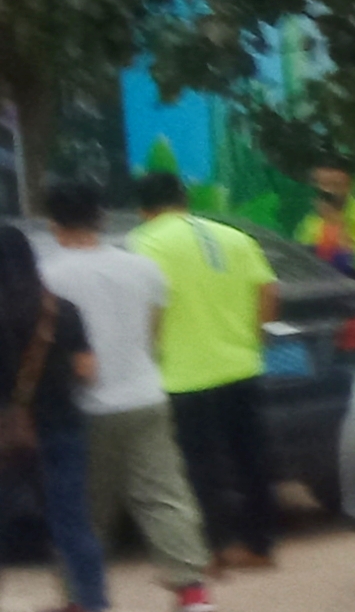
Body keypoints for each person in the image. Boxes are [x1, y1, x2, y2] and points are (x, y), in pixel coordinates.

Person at [43, 181, 214, 612]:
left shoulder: (48, 276)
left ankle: (81, 597)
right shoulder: (143, 268)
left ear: (52, 224)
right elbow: (153, 334)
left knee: (83, 508)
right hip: (145, 396)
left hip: (83, 407)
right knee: (163, 496)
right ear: (101, 218)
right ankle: (192, 591)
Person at [128, 171, 281, 572]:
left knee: (199, 467)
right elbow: (268, 289)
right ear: (184, 199)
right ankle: (259, 546)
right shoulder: (233, 236)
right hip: (242, 366)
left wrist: (148, 349)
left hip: (183, 375)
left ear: (143, 209)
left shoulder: (143, 243)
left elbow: (148, 306)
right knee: (251, 459)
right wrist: (254, 336)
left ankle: (211, 550)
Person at [0, 225, 108, 612]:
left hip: (5, 437)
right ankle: (90, 602)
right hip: (62, 425)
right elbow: (86, 370)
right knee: (72, 521)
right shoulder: (60, 309)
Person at [295, 160, 355, 284]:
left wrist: (336, 224)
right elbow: (302, 251)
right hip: (319, 282)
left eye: (336, 185)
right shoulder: (313, 218)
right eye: (322, 184)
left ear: (350, 186)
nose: (328, 190)